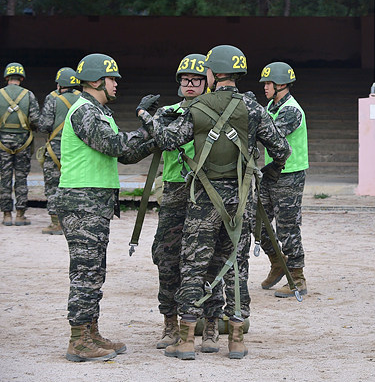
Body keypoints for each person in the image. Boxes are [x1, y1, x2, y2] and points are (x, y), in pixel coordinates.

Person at [141, 44, 290, 360]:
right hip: (240, 203)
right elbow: (283, 149)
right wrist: (261, 171)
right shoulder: (254, 109)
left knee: (194, 265)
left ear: (212, 73)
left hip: (203, 201)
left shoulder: (197, 108)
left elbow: (167, 140)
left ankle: (186, 341)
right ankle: (235, 340)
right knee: (236, 265)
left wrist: (146, 116)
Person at [56, 53, 156, 362]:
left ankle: (90, 331)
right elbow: (115, 145)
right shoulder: (85, 111)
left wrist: (155, 135)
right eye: (112, 79)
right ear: (97, 80)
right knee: (85, 273)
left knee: (94, 270)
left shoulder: (100, 112)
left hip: (92, 203)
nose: (116, 84)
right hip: (82, 202)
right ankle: (78, 340)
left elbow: (125, 156)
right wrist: (148, 126)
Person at [151, 54, 224, 353]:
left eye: (196, 80)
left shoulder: (215, 112)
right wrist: (152, 118)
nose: (190, 85)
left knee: (209, 259)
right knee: (166, 258)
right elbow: (153, 141)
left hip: (206, 191)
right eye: (185, 80)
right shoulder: (168, 112)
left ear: (207, 81)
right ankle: (170, 323)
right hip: (175, 191)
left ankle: (210, 326)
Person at [257, 61, 310, 298]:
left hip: (290, 174)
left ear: (282, 85)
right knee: (257, 222)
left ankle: (297, 278)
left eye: (269, 83)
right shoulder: (272, 106)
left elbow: (270, 134)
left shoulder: (291, 110)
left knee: (287, 227)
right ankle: (278, 263)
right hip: (272, 172)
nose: (265, 87)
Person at [37, 67, 81, 235]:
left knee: (53, 186)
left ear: (59, 84)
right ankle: (74, 221)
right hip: (76, 150)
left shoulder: (52, 98)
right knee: (76, 186)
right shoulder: (82, 98)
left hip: (55, 150)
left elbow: (44, 126)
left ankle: (56, 223)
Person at [0, 62, 40, 226]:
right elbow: (36, 120)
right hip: (23, 142)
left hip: (2, 144)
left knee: (4, 178)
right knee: (22, 179)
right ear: (21, 78)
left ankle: (6, 215)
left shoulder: (0, 94)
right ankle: (20, 214)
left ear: (7, 77)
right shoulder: (28, 95)